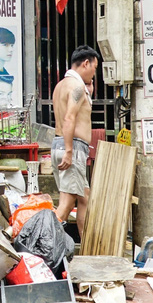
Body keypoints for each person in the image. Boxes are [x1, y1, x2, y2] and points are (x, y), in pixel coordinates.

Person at [52, 45, 99, 238]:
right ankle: (38, 245)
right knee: (66, 204)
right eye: (95, 68)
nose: (95, 73)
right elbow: (69, 118)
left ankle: (87, 249)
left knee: (84, 198)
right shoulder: (77, 87)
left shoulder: (61, 85)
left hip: (59, 144)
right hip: (71, 147)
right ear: (86, 63)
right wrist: (70, 151)